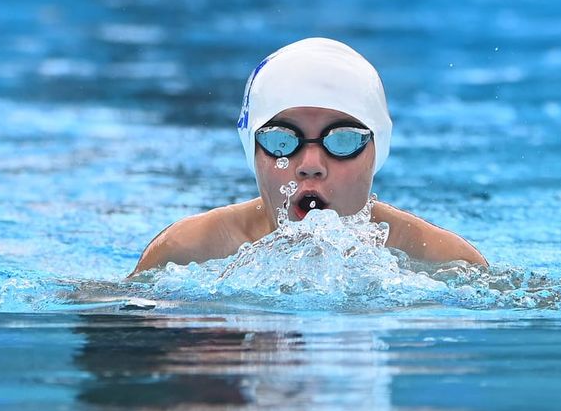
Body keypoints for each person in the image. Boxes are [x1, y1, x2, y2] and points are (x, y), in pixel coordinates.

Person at [132, 37, 486, 274]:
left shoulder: (445, 262)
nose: (311, 166)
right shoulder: (186, 253)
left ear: (377, 149)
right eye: (282, 140)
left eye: (343, 140)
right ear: (251, 149)